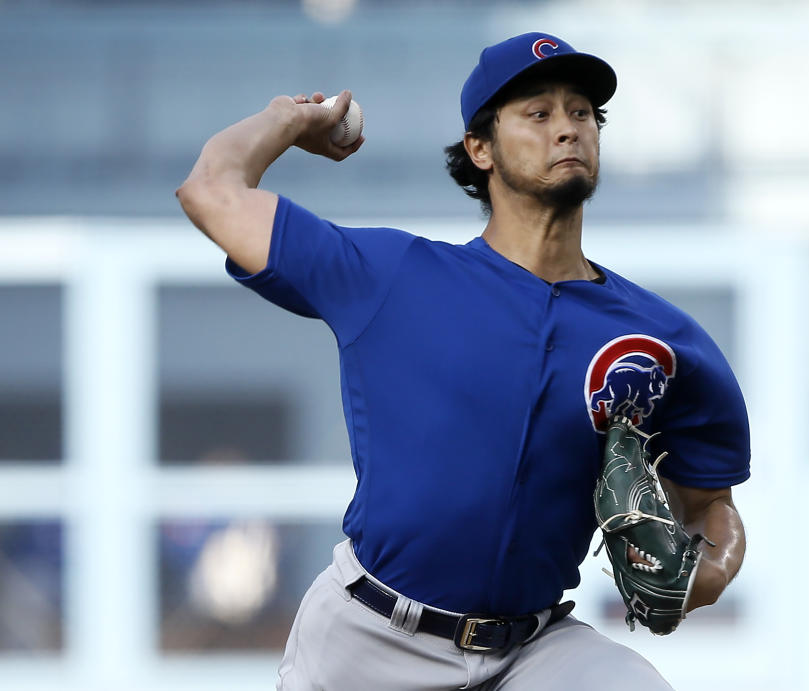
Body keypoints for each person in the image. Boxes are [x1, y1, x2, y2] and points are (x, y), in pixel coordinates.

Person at [177, 32, 750, 691]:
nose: (567, 128)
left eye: (582, 112)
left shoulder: (661, 340)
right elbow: (211, 189)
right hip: (372, 637)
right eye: (538, 114)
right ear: (480, 148)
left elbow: (711, 503)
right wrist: (292, 117)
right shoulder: (392, 276)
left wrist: (706, 571)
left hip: (536, 649)